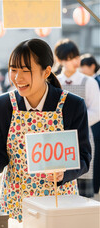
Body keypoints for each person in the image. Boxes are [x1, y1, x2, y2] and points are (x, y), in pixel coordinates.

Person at [0, 38, 91, 222]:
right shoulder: (2, 105)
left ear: (46, 71)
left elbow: (84, 156)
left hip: (59, 201)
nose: (17, 78)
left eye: (25, 71)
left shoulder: (72, 105)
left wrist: (65, 173)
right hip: (16, 201)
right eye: (13, 70)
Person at [54, 39, 100, 198]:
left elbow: (97, 111)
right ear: (60, 60)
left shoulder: (89, 82)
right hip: (59, 141)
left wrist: (76, 124)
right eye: (69, 58)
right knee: (60, 179)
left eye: (76, 57)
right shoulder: (55, 82)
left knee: (82, 174)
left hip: (82, 137)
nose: (75, 61)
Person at [80, 53, 100, 195]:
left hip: (95, 125)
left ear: (92, 66)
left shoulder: (94, 81)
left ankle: (95, 186)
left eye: (84, 66)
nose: (81, 69)